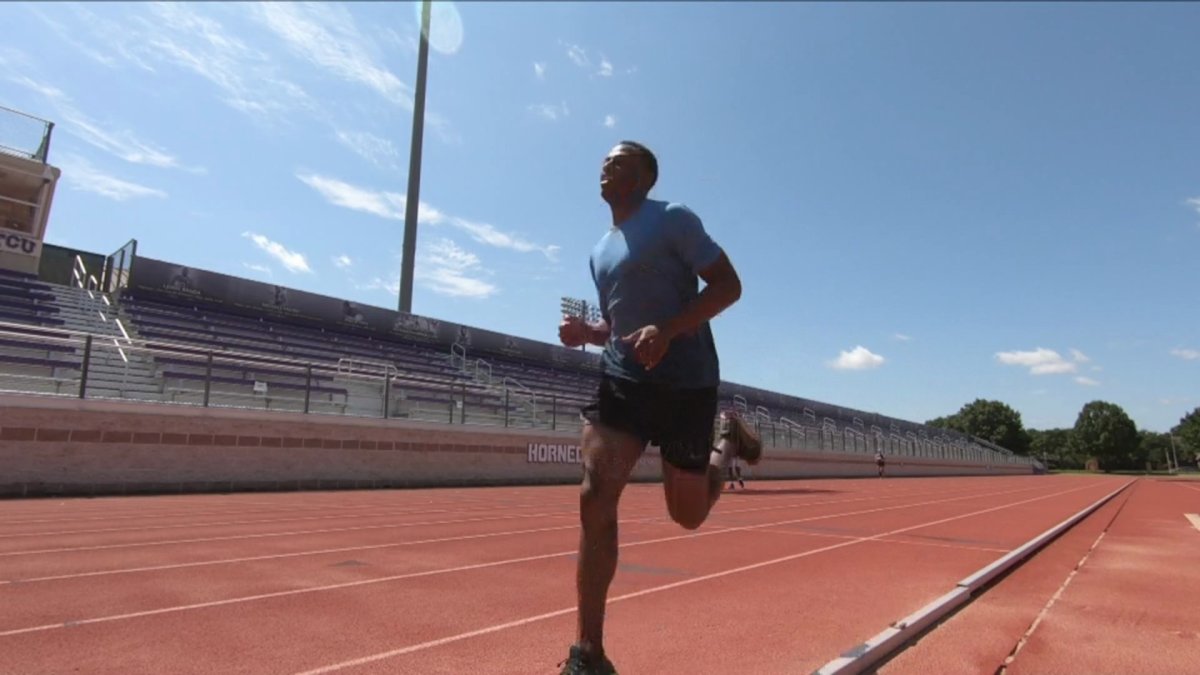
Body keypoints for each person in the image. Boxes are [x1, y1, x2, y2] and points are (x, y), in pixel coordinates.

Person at [556, 141, 762, 675]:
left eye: (620, 160)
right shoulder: (599, 251)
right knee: (595, 494)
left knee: (687, 515)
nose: (607, 165)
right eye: (605, 160)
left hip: (686, 384)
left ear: (645, 178)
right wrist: (587, 333)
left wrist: (669, 330)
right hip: (624, 382)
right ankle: (588, 653)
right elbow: (618, 325)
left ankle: (727, 441)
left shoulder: (672, 219)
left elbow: (729, 286)